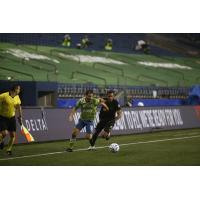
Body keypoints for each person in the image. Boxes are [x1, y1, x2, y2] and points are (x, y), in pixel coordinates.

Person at [0, 84, 23, 155]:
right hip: (3, 117)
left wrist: (20, 117)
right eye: (18, 89)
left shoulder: (17, 97)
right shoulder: (3, 96)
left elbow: (18, 106)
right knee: (4, 133)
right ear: (15, 89)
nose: (19, 90)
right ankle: (1, 142)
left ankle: (8, 149)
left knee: (13, 135)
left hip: (12, 118)